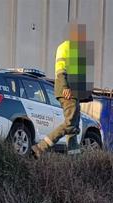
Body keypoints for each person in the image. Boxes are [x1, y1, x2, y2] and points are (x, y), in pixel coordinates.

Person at [32, 23, 91, 158]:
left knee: (74, 127)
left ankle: (74, 158)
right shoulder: (66, 47)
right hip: (67, 91)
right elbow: (61, 69)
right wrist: (65, 87)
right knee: (70, 124)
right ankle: (41, 147)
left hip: (73, 92)